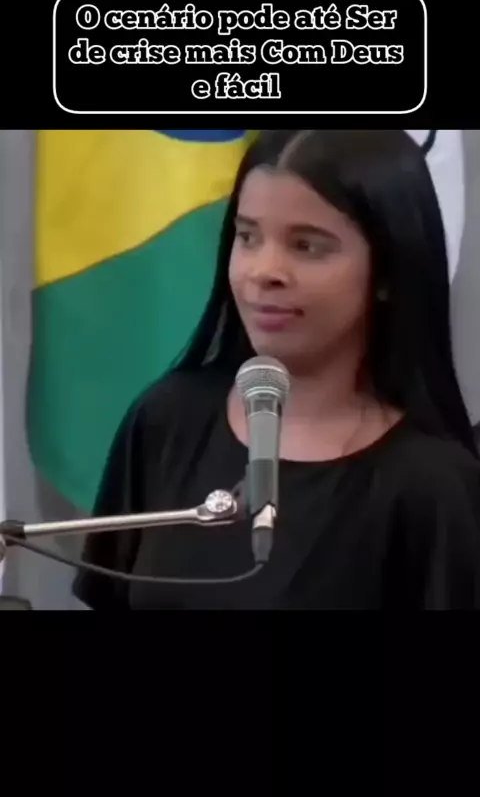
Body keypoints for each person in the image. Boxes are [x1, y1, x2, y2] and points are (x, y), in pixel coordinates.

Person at [72, 129, 480, 610]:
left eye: (307, 246)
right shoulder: (167, 419)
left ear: (388, 271)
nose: (264, 271)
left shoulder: (433, 487)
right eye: (247, 237)